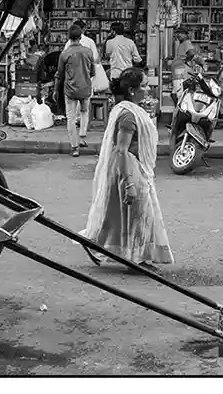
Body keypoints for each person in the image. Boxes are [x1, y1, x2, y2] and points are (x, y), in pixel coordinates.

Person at [78, 68, 174, 270]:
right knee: (140, 215)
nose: (148, 89)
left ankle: (95, 244)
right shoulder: (128, 116)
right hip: (129, 169)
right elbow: (121, 150)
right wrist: (129, 183)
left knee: (121, 217)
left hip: (134, 168)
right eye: (144, 85)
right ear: (132, 90)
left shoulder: (131, 112)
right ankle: (137, 260)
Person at [56, 25, 95, 157]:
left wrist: (56, 90)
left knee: (71, 118)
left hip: (70, 90)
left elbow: (60, 74)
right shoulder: (88, 52)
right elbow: (93, 72)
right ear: (80, 36)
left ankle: (75, 147)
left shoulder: (65, 54)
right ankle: (82, 136)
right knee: (84, 112)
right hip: (85, 88)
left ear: (68, 37)